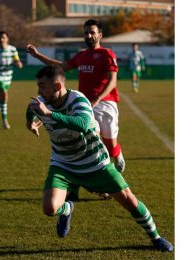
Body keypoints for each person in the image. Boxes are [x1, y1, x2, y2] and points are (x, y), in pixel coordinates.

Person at [26, 65, 173, 252]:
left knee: (130, 201)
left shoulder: (78, 100)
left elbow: (83, 124)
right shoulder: (40, 102)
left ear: (56, 87)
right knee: (49, 208)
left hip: (95, 162)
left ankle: (156, 237)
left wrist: (49, 114)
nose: (38, 91)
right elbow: (31, 109)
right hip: (63, 164)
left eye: (42, 86)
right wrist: (30, 123)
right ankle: (68, 209)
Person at [26, 19, 125, 174]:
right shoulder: (82, 55)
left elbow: (112, 82)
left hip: (106, 103)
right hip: (85, 106)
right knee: (93, 141)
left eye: (92, 32)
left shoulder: (107, 54)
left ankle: (117, 155)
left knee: (111, 145)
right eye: (86, 33)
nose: (88, 35)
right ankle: (101, 181)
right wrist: (38, 55)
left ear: (100, 35)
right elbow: (60, 67)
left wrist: (97, 99)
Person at [0, 31, 23, 129]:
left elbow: (17, 60)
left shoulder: (13, 50)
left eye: (3, 37)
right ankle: (4, 121)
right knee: (4, 95)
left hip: (8, 77)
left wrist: (19, 63)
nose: (1, 40)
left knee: (1, 99)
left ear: (7, 39)